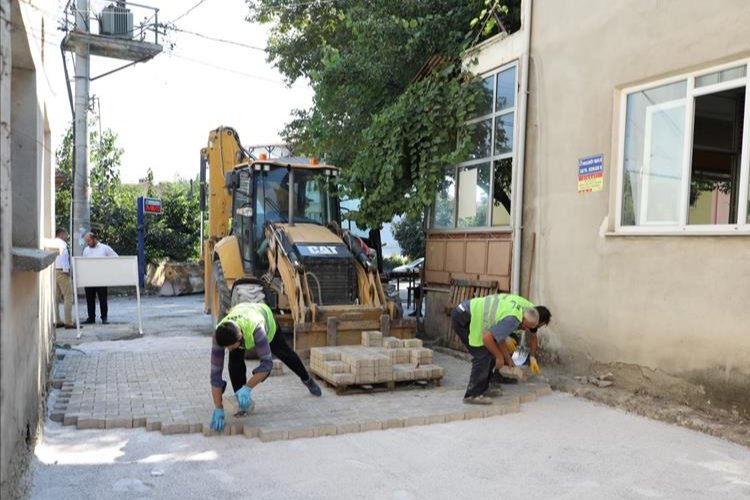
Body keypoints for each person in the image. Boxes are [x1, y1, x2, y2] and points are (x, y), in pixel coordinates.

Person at [209, 302, 322, 431]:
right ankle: (240, 403)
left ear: (239, 337)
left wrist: (247, 388)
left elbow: (267, 364)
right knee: (235, 364)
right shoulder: (220, 335)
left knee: (285, 354)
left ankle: (307, 379)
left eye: (231, 346)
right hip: (241, 316)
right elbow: (215, 375)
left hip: (265, 320)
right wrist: (218, 408)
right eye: (226, 347)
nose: (228, 349)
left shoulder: (257, 329)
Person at [451, 293, 550, 405]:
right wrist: (499, 357)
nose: (526, 329)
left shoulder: (526, 313)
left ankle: (484, 388)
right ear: (523, 319)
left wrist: (507, 358)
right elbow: (487, 338)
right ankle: (472, 394)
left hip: (470, 313)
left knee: (490, 352)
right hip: (464, 317)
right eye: (526, 327)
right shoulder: (513, 320)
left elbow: (499, 337)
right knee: (483, 355)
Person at [81, 232, 118, 324]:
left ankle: (104, 318)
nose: (88, 243)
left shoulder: (105, 248)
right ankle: (91, 317)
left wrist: (108, 269)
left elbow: (116, 258)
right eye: (86, 241)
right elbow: (83, 263)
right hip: (89, 278)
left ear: (94, 239)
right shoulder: (86, 250)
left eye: (89, 241)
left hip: (101, 278)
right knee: (89, 298)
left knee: (102, 298)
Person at [52, 228, 76, 329]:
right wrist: (67, 271)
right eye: (66, 235)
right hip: (62, 271)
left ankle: (57, 320)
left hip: (54, 271)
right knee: (68, 297)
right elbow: (64, 258)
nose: (67, 237)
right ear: (61, 234)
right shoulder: (62, 244)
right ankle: (68, 322)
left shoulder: (52, 243)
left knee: (56, 298)